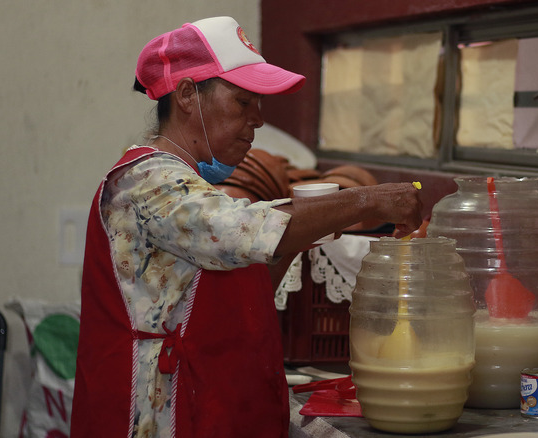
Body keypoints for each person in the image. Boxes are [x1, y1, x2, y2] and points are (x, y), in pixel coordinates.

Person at [71, 16, 422, 438]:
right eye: (242, 102)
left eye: (259, 104)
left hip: (209, 401)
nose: (257, 119)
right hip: (159, 413)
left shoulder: (196, 188)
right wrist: (368, 199)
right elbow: (241, 230)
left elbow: (237, 294)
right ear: (186, 95)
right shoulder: (148, 181)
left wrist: (297, 238)